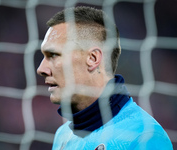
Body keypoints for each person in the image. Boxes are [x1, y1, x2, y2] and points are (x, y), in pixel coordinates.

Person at [37, 6, 173, 150]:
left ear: (92, 58)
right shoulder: (63, 135)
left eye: (53, 55)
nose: (41, 69)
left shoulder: (144, 136)